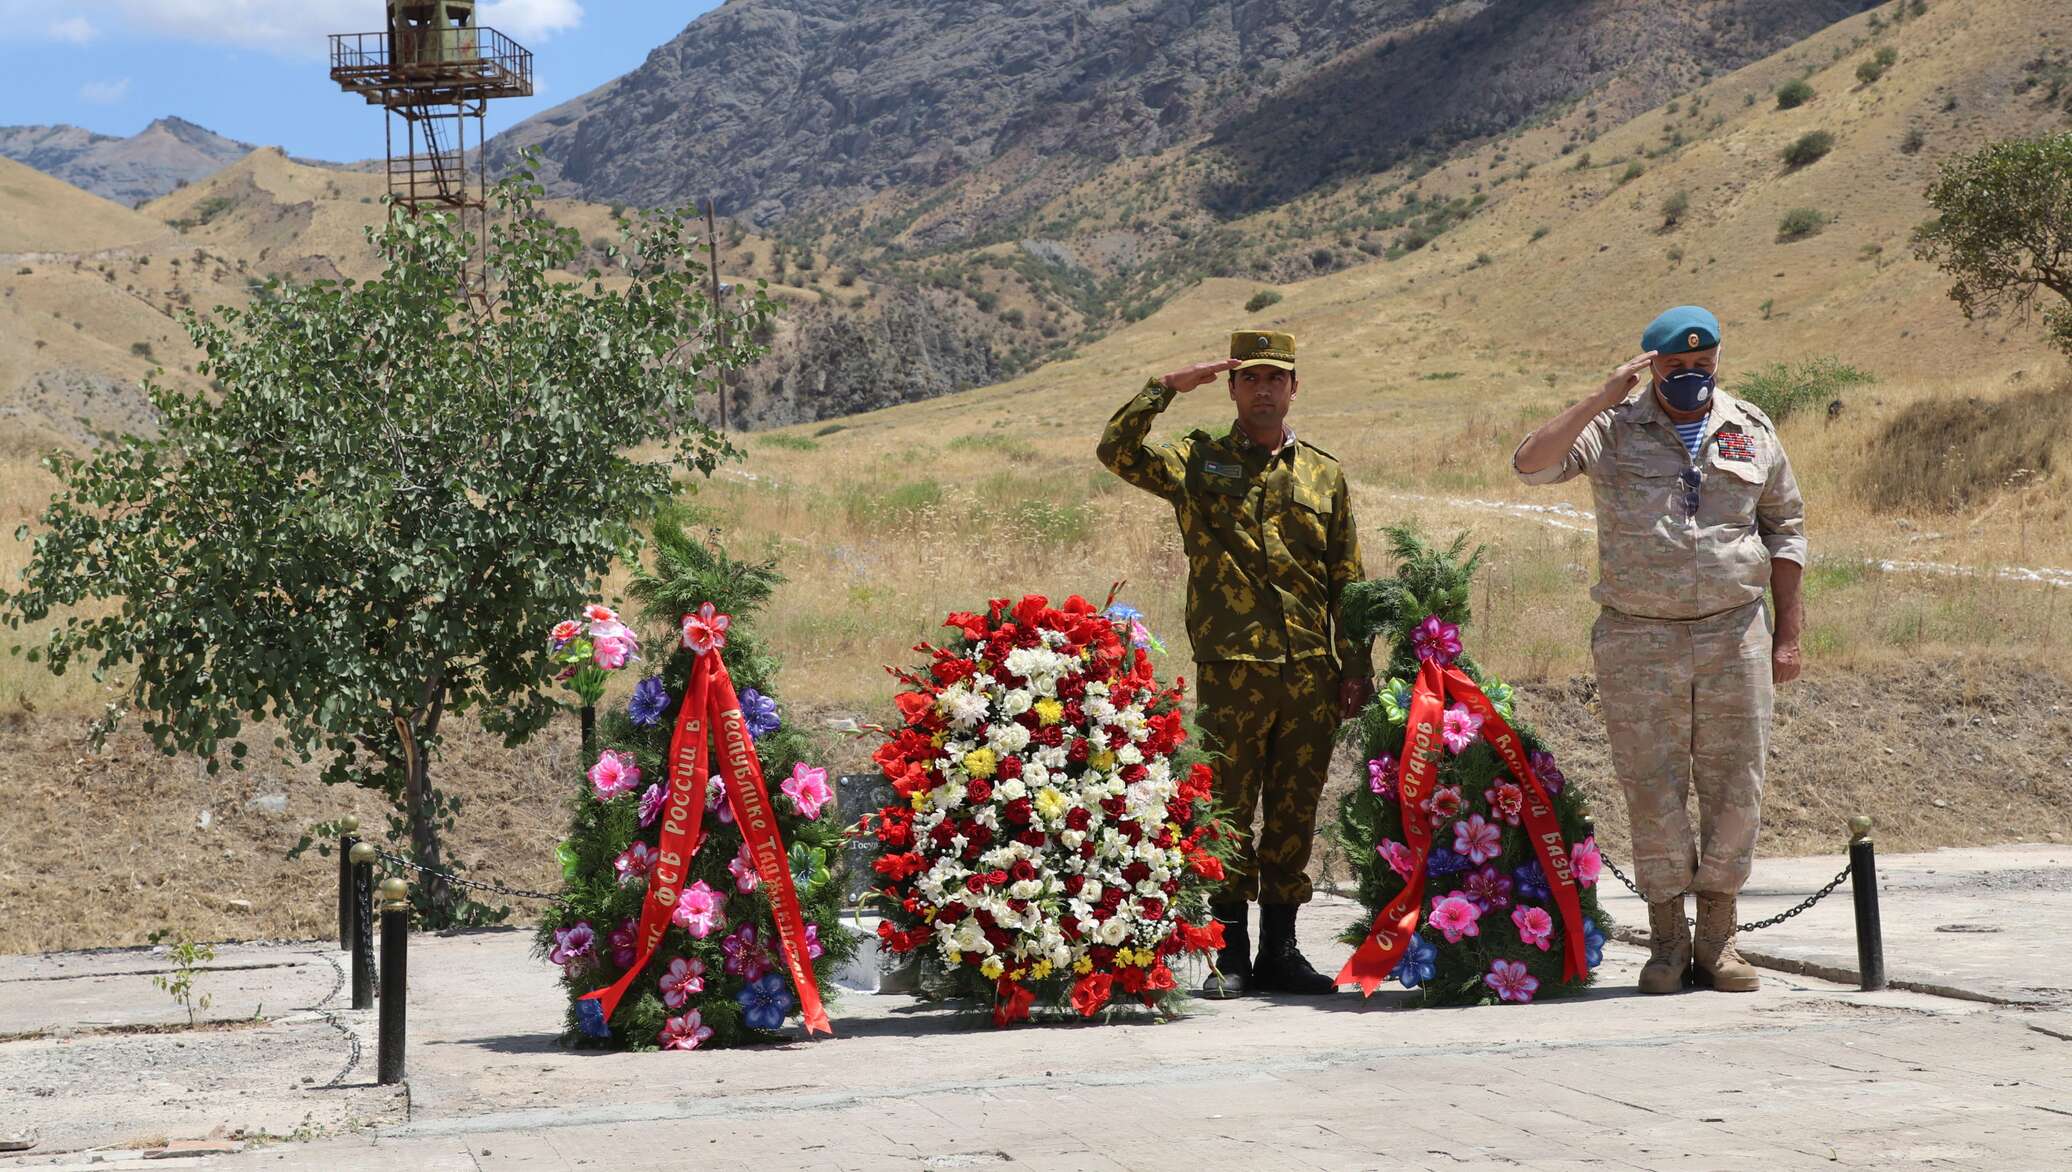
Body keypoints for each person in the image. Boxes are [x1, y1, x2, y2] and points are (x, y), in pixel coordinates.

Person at [1511, 305, 1806, 994]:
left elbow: (1786, 528)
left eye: (1702, 366)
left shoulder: (1750, 429)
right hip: (1638, 637)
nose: (1691, 377)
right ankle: (1667, 942)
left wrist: (1788, 637)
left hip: (1734, 632)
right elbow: (1530, 464)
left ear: (1718, 362)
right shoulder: (1611, 431)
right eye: (1676, 367)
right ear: (1650, 366)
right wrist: (1602, 398)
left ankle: (1719, 942)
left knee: (1738, 784)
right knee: (1652, 785)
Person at [1097, 329, 1373, 996]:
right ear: (1231, 387)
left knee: (1292, 812)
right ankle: (1227, 954)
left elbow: (1348, 578)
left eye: (1275, 378)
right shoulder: (1199, 460)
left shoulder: (1323, 474)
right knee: (1224, 810)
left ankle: (1282, 949)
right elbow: (1116, 451)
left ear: (1294, 387)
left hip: (1309, 671)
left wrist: (1356, 665)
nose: (1263, 389)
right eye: (1250, 377)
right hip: (1232, 668)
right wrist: (1165, 387)